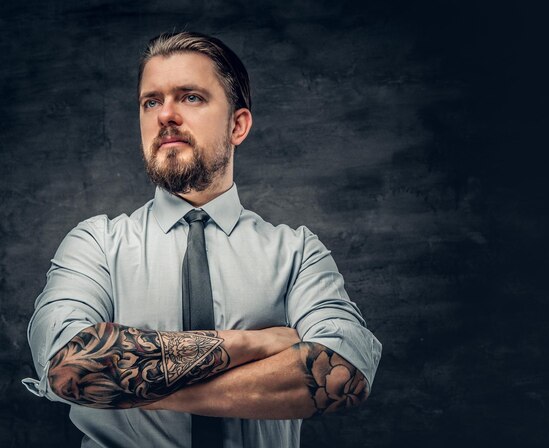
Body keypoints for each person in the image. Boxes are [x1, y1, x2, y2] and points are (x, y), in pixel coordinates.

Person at [22, 31, 382, 448]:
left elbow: (343, 372)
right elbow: (68, 365)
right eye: (151, 101)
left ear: (237, 125)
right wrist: (261, 342)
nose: (165, 115)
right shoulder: (96, 244)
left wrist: (136, 389)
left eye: (190, 97)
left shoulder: (298, 252)